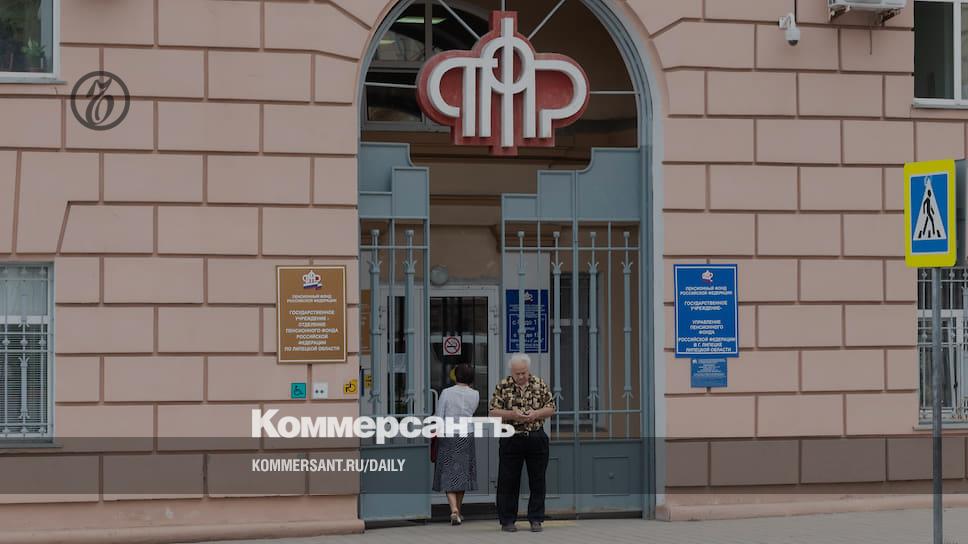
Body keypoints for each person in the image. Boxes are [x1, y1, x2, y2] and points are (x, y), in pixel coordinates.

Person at [488, 353, 556, 533]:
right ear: (511, 371)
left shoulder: (539, 384)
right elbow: (493, 411)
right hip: (511, 436)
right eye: (517, 373)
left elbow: (551, 408)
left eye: (523, 373)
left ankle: (536, 519)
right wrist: (512, 415)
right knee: (508, 480)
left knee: (538, 479)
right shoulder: (503, 386)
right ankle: (507, 520)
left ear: (528, 370)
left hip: (536, 435)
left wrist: (536, 414)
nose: (520, 376)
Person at [432, 363, 479, 525]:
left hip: (449, 434)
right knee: (462, 473)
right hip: (467, 434)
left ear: (455, 376)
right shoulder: (475, 394)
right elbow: (472, 411)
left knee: (448, 472)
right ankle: (458, 510)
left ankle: (453, 510)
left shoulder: (446, 392)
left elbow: (439, 415)